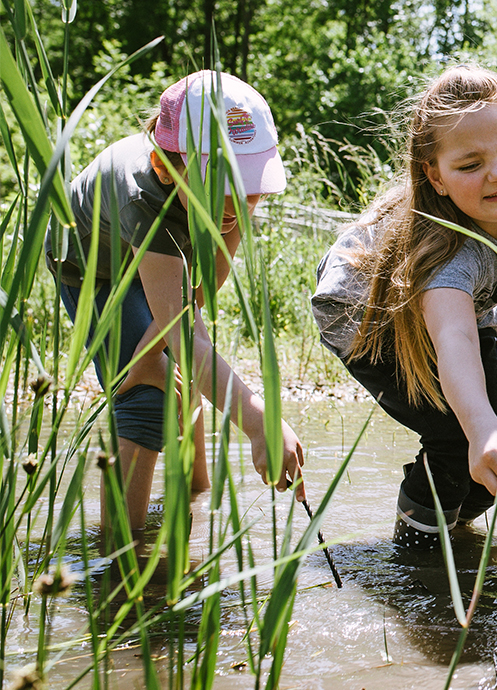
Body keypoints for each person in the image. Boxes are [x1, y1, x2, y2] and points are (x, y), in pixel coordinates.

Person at [311, 66, 497, 549]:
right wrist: (479, 429)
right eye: (470, 165)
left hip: (468, 308)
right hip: (367, 314)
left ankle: (446, 518)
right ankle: (417, 558)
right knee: (460, 441)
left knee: (491, 459)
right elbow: (452, 338)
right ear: (435, 178)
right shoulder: (448, 260)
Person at [46, 70, 305, 535]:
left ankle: (195, 500)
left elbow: (199, 296)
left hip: (156, 263)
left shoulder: (233, 201)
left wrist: (154, 351)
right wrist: (259, 421)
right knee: (147, 397)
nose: (244, 203)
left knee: (182, 374)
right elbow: (184, 332)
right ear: (168, 166)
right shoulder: (143, 196)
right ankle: (123, 558)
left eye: (252, 185)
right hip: (93, 269)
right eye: (225, 186)